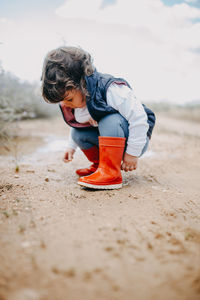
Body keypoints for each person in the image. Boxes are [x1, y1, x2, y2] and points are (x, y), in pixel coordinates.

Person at [41, 46, 156, 190]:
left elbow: (139, 118)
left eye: (69, 99)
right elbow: (77, 125)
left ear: (81, 83)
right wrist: (71, 146)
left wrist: (132, 153)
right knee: (78, 133)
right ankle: (100, 166)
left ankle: (111, 173)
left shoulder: (111, 89)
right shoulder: (76, 103)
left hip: (134, 139)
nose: (65, 105)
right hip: (111, 143)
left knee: (110, 119)